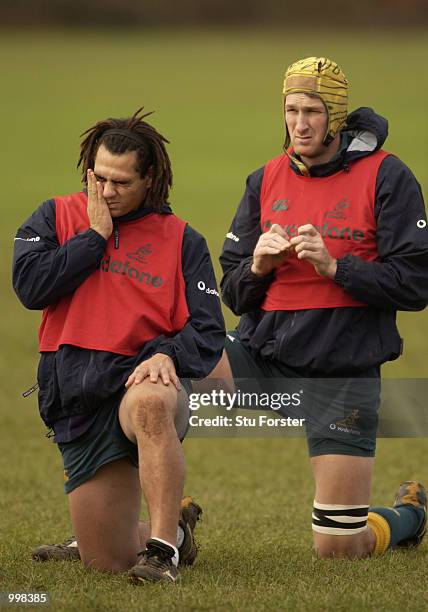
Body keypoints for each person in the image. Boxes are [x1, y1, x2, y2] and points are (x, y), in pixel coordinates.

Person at [206, 57, 428, 558]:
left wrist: (337, 267)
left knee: (337, 549)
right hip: (263, 358)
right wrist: (256, 268)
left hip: (342, 373)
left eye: (312, 111)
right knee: (163, 370)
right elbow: (232, 290)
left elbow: (416, 284)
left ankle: (410, 516)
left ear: (337, 117)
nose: (299, 124)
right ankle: (160, 525)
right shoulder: (264, 178)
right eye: (291, 110)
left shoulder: (388, 176)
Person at [13, 109, 225, 583]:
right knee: (105, 559)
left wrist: (167, 353)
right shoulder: (55, 216)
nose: (106, 192)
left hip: (143, 384)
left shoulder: (183, 240)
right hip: (74, 395)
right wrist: (94, 237)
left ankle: (162, 551)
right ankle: (173, 529)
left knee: (151, 401)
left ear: (149, 180)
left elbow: (209, 331)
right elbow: (30, 288)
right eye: (99, 178)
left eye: (121, 183)